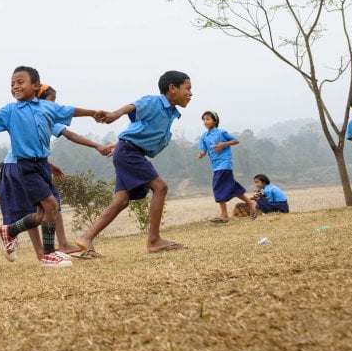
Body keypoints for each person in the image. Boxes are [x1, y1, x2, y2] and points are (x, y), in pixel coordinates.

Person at [0, 66, 103, 267]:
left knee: (41, 215)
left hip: (43, 165)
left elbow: (70, 111)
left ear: (35, 86)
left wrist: (93, 113)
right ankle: (48, 254)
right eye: (12, 83)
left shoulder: (47, 108)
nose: (15, 86)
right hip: (25, 167)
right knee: (51, 205)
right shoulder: (10, 111)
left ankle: (8, 231)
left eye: (20, 82)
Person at [75, 71, 193, 255]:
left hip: (128, 150)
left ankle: (86, 238)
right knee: (160, 188)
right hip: (130, 153)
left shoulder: (170, 112)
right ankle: (154, 241)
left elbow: (141, 130)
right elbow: (133, 106)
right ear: (172, 88)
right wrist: (114, 114)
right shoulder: (154, 101)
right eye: (188, 88)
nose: (190, 93)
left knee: (121, 201)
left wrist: (119, 143)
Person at [37, 84, 115, 257]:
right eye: (52, 100)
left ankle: (56, 246)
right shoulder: (40, 113)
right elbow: (69, 133)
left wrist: (49, 165)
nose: (55, 104)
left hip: (37, 163)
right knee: (45, 208)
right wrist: (97, 145)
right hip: (27, 165)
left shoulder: (44, 117)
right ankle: (40, 248)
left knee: (48, 206)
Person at [196, 111, 257, 223]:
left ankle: (224, 214)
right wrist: (201, 154)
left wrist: (223, 144)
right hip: (215, 165)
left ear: (215, 121)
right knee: (232, 187)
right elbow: (203, 150)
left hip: (224, 163)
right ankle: (251, 202)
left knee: (217, 187)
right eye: (204, 120)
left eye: (208, 119)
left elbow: (236, 140)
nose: (205, 122)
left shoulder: (221, 132)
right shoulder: (204, 136)